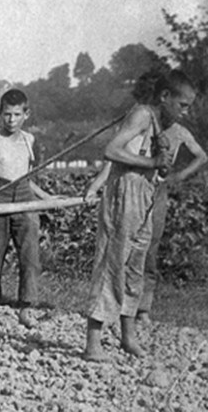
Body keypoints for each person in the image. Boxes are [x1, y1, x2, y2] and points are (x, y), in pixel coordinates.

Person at [82, 70, 195, 361]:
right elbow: (112, 150)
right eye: (183, 105)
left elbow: (156, 163)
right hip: (124, 193)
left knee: (135, 267)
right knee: (112, 263)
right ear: (165, 97)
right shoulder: (142, 115)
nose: (186, 112)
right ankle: (93, 343)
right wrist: (152, 161)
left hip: (145, 194)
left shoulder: (160, 124)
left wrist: (160, 167)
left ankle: (127, 336)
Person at [84, 117, 206, 326]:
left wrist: (179, 176)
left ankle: (141, 309)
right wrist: (94, 188)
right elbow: (111, 162)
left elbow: (201, 156)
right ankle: (110, 313)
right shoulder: (139, 126)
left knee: (147, 250)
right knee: (119, 253)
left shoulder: (179, 131)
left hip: (156, 191)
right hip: (131, 189)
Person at [0, 89, 54, 328]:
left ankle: (25, 310)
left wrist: (46, 196)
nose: (11, 120)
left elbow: (28, 178)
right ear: (0, 113)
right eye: (7, 114)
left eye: (16, 114)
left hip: (24, 197)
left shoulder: (29, 140)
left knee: (30, 256)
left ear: (26, 115)